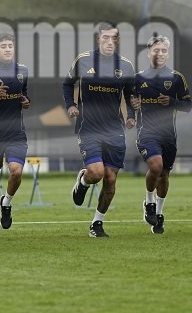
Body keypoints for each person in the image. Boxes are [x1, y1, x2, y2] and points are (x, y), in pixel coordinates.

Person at [62, 22, 136, 238]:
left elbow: (130, 95)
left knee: (110, 179)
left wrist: (131, 116)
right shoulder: (83, 60)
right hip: (89, 127)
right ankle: (83, 181)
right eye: (105, 37)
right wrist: (71, 105)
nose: (109, 42)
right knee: (96, 173)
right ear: (98, 39)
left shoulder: (126, 66)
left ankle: (97, 222)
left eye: (114, 38)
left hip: (115, 129)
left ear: (118, 40)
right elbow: (67, 84)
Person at [134, 35, 192, 234]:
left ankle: (158, 214)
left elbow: (188, 105)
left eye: (164, 50)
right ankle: (149, 202)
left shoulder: (176, 78)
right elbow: (129, 101)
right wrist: (131, 112)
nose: (160, 54)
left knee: (164, 174)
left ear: (168, 54)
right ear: (148, 53)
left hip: (168, 135)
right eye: (156, 50)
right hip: (146, 132)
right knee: (156, 166)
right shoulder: (138, 78)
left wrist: (172, 102)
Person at [0, 33, 30, 239]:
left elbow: (24, 94)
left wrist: (26, 101)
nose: (8, 49)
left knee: (16, 172)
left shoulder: (23, 71)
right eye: (3, 46)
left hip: (16, 133)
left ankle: (6, 202)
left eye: (10, 45)